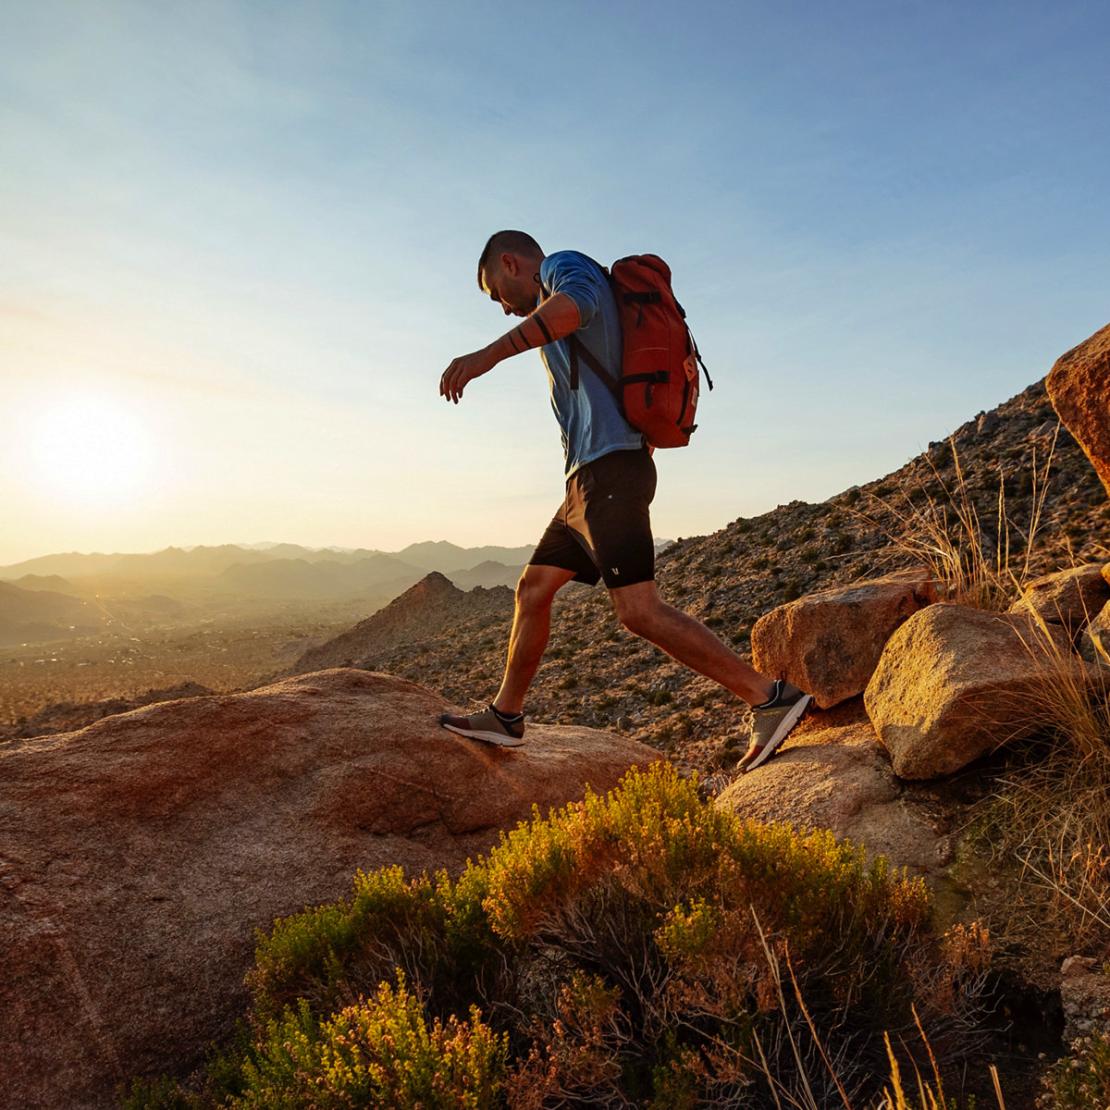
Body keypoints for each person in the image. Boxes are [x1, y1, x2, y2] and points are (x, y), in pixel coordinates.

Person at [437, 230, 810, 772]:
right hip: (585, 481)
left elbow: (574, 308)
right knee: (533, 588)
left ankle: (770, 699)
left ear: (511, 263)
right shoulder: (549, 285)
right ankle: (506, 716)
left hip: (611, 470)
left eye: (497, 294)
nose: (502, 309)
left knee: (638, 610)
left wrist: (486, 358)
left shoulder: (564, 268)